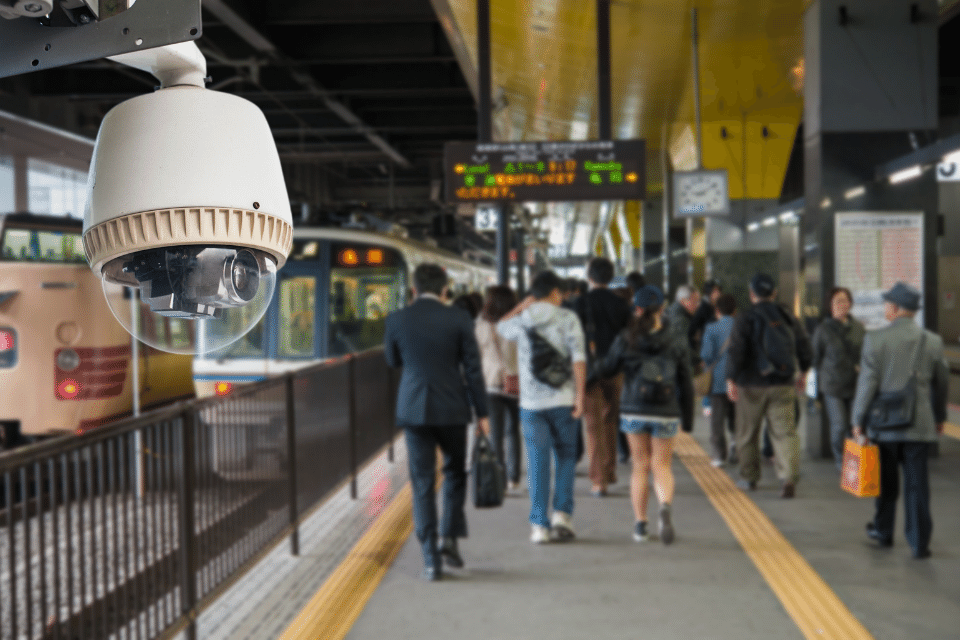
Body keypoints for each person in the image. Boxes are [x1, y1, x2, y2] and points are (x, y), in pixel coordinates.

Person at [383, 264, 490, 581]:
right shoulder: (458, 318)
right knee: (456, 472)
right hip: (452, 409)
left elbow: (393, 360)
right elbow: (473, 370)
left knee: (423, 484)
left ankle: (431, 560)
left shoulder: (397, 319)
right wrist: (482, 413)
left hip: (414, 410)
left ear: (414, 289)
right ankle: (450, 540)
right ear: (445, 290)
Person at [852, 282, 947, 559]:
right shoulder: (933, 341)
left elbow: (867, 384)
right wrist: (939, 417)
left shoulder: (875, 340)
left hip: (885, 425)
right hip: (919, 423)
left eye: (886, 304)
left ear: (893, 308)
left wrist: (858, 419)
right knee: (917, 484)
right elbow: (940, 386)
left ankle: (883, 531)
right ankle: (919, 542)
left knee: (886, 481)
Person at [598, 285, 693, 544]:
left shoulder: (626, 337)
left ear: (637, 310)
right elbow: (686, 379)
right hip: (666, 410)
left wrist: (590, 368)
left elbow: (608, 369)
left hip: (634, 409)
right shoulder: (676, 337)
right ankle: (664, 505)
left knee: (640, 466)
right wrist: (688, 417)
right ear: (663, 309)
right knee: (661, 466)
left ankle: (641, 525)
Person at [497, 270, 587, 544]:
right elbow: (579, 359)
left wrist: (521, 306)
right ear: (555, 293)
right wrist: (580, 395)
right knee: (566, 457)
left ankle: (539, 526)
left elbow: (501, 325)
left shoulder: (522, 320)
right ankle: (562, 516)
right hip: (563, 400)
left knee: (537, 462)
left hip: (531, 404)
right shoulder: (568, 318)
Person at [725, 273, 812, 498]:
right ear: (773, 293)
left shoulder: (745, 318)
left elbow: (736, 351)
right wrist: (803, 371)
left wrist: (730, 379)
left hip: (750, 385)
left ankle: (749, 478)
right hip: (782, 383)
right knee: (785, 434)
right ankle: (788, 477)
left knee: (747, 434)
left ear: (751, 294)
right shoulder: (787, 316)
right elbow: (803, 345)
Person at [573, 257, 632, 496]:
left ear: (589, 277)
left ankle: (599, 481)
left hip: (588, 370)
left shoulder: (580, 303)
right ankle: (609, 470)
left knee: (592, 424)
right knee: (610, 420)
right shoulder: (622, 304)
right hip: (615, 370)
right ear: (611, 277)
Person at [811, 287, 866, 470]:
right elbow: (815, 358)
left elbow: (866, 354)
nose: (842, 305)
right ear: (830, 305)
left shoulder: (858, 328)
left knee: (854, 426)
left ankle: (854, 460)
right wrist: (817, 385)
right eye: (838, 301)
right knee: (840, 425)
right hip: (832, 386)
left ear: (850, 304)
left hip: (855, 384)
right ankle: (840, 460)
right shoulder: (823, 329)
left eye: (845, 301)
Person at [475, 285, 522, 491]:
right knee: (513, 431)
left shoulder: (481, 324)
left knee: (496, 434)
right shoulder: (517, 322)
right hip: (515, 382)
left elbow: (476, 355)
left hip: (491, 382)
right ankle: (514, 478)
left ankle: (500, 481)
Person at [700, 293, 737, 466]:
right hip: (738, 380)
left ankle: (718, 456)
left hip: (717, 381)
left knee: (717, 421)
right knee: (737, 418)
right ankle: (736, 447)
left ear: (717, 311)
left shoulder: (711, 329)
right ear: (735, 310)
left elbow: (706, 355)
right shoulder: (741, 327)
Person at [665, 285, 700, 433]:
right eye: (695, 301)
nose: (697, 305)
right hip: (677, 371)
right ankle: (684, 429)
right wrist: (696, 358)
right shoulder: (680, 319)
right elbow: (681, 348)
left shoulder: (672, 313)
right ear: (684, 301)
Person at [690, 279, 722, 352]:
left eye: (719, 290)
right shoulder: (704, 308)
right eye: (715, 291)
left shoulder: (713, 306)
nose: (719, 293)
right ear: (709, 293)